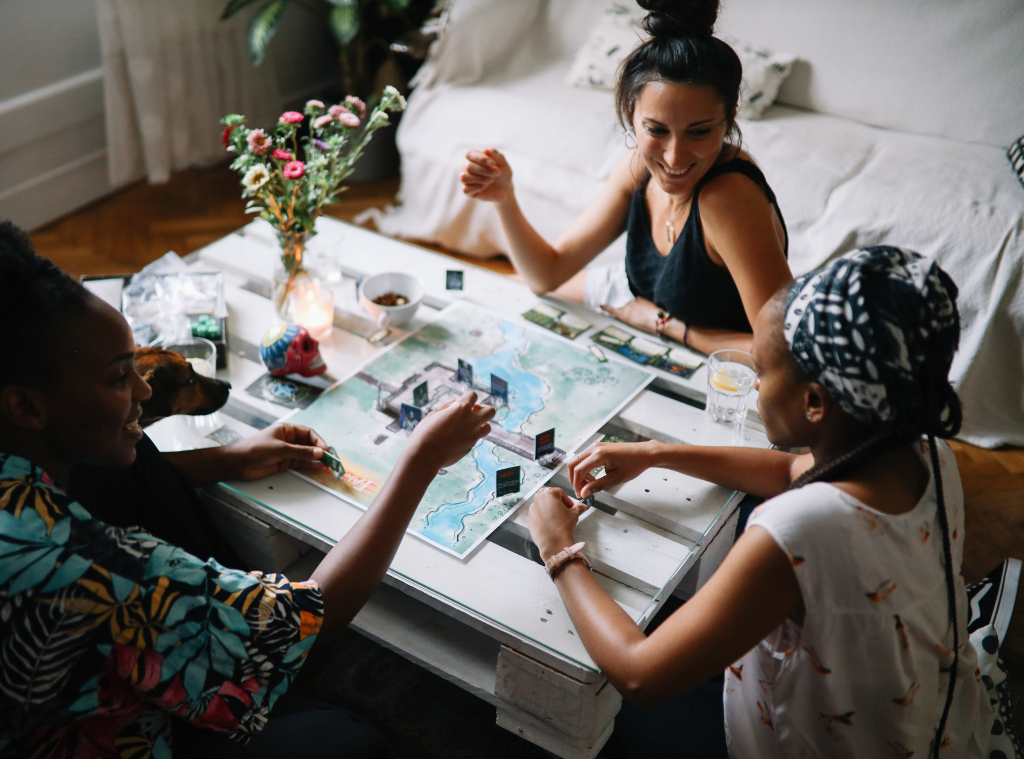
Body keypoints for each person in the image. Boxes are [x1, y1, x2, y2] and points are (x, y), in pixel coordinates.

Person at [0, 220, 496, 758]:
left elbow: (123, 472)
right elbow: (305, 622)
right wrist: (419, 462)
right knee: (352, 741)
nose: (143, 389)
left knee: (134, 450)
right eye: (119, 377)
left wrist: (230, 457)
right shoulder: (83, 566)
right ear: (25, 404)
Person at [528, 246, 1006, 757]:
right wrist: (656, 452)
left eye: (763, 370)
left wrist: (559, 549)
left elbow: (640, 674)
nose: (755, 383)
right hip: (929, 723)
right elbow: (787, 470)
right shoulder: (927, 454)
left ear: (814, 402)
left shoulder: (797, 531)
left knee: (589, 707)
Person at [460, 0, 791, 355]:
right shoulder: (638, 167)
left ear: (730, 116)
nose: (674, 157)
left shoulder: (727, 197)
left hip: (717, 358)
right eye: (656, 129)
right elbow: (546, 275)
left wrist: (666, 325)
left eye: (699, 132)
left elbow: (784, 350)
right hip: (631, 297)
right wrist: (505, 199)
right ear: (632, 112)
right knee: (499, 293)